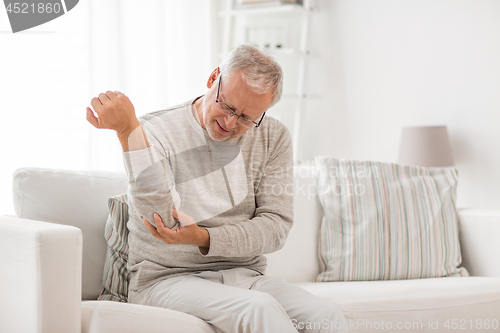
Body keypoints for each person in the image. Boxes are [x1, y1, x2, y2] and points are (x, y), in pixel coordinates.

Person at [86, 44, 348, 333]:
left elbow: (276, 228)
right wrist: (127, 132)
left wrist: (203, 237)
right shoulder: (153, 130)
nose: (230, 122)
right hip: (165, 280)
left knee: (327, 314)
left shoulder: (273, 137)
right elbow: (159, 218)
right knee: (258, 308)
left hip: (245, 276)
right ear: (213, 78)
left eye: (247, 118)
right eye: (228, 106)